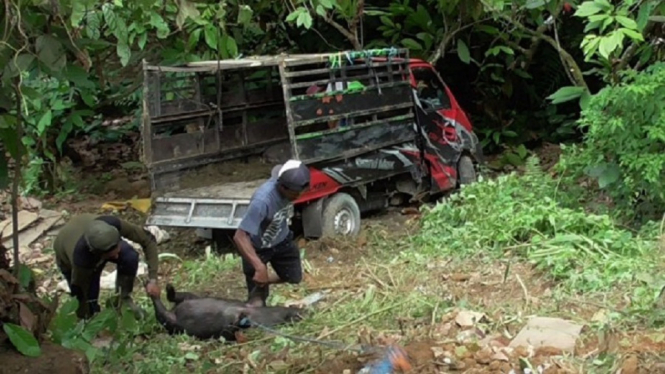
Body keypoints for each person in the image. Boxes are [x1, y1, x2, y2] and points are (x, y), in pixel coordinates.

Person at [233, 159, 311, 307]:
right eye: (295, 194)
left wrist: (264, 276)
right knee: (257, 302)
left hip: (282, 240)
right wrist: (259, 267)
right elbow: (240, 236)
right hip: (258, 248)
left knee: (294, 277)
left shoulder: (286, 176)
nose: (298, 197)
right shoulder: (262, 201)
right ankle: (256, 294)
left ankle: (263, 280)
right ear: (283, 187)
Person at [53, 214, 160, 319]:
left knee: (129, 256)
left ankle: (123, 301)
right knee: (90, 300)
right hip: (67, 254)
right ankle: (93, 313)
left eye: (117, 250)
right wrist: (86, 318)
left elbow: (148, 239)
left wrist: (153, 279)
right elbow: (79, 293)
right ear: (97, 254)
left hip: (93, 230)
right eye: (112, 255)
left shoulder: (113, 224)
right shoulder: (81, 259)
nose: (117, 256)